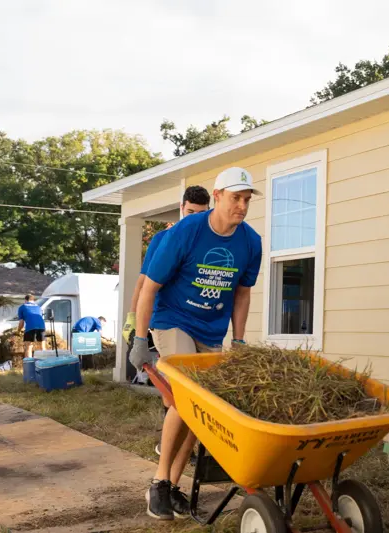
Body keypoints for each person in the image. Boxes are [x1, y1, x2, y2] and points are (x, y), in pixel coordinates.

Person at [129, 167, 262, 520]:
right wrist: (140, 338)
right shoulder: (186, 232)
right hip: (172, 319)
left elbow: (242, 294)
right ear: (217, 197)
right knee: (188, 394)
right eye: (236, 198)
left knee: (202, 410)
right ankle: (158, 482)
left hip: (210, 331)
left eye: (247, 200)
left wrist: (239, 339)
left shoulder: (250, 242)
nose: (242, 206)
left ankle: (172, 486)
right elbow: (149, 288)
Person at [122, 185, 211, 344]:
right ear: (182, 207)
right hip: (169, 320)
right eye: (190, 212)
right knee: (181, 366)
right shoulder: (162, 239)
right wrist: (132, 317)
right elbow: (143, 282)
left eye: (201, 213)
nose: (195, 219)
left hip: (203, 322)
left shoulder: (213, 244)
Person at [17, 294, 45, 359]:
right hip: (41, 326)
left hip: (30, 326)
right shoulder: (38, 307)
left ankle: (29, 365)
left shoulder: (22, 307)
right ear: (33, 300)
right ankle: (44, 364)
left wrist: (18, 331)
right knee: (42, 347)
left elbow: (21, 323)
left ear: (25, 300)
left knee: (28, 347)